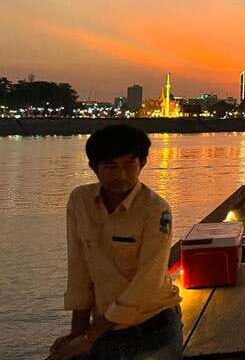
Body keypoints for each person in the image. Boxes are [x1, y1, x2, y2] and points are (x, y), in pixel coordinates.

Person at [47, 125, 182, 360]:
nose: (121, 175)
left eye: (130, 165)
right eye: (111, 166)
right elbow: (79, 269)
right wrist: (77, 333)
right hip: (106, 328)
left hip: (152, 327)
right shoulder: (80, 200)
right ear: (93, 167)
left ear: (143, 164)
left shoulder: (156, 210)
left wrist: (90, 336)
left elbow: (147, 282)